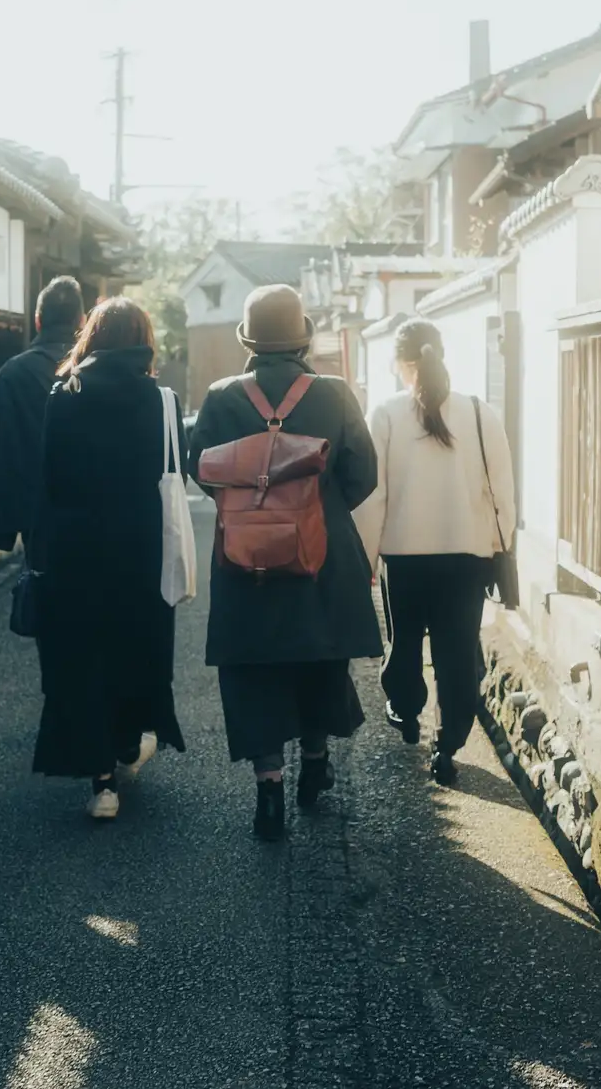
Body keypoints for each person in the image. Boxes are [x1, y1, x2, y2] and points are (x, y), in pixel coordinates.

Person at [188, 284, 381, 841]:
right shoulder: (335, 393)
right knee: (320, 657)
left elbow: (202, 469)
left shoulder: (223, 396)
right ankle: (315, 764)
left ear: (247, 340)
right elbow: (363, 474)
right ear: (303, 337)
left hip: (245, 559)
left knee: (254, 668)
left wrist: (253, 507)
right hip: (321, 558)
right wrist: (316, 505)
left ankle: (268, 788)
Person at [30, 297, 187, 819]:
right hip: (141, 544)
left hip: (77, 546)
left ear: (91, 336)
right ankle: (128, 742)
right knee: (135, 648)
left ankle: (102, 785)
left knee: (85, 656)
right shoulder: (158, 399)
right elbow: (175, 474)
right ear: (144, 337)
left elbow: (48, 480)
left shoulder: (64, 393)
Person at [352, 316, 517, 787]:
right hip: (467, 556)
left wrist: (365, 558)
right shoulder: (480, 412)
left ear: (401, 363)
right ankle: (448, 747)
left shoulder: (385, 413)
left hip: (404, 557)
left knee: (404, 643)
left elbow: (372, 494)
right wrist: (497, 544)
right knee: (457, 653)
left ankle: (405, 712)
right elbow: (501, 489)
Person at [0, 276, 85, 553]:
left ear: (37, 321)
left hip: (36, 512)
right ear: (82, 321)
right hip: (95, 508)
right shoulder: (96, 368)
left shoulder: (12, 374)